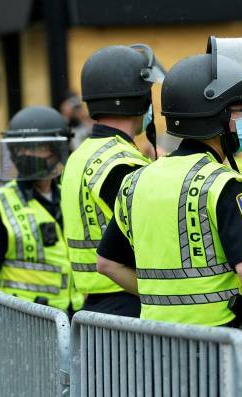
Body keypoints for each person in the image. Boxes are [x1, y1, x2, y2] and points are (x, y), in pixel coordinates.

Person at [96, 37, 242, 339]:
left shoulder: (137, 181)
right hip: (219, 343)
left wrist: (159, 297)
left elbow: (107, 263)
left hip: (156, 339)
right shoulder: (225, 186)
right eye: (240, 111)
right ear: (218, 115)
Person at [60, 44, 165, 317]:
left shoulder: (80, 155)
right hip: (129, 301)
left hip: (94, 304)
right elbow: (152, 240)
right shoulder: (121, 162)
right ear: (139, 98)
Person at [0, 106, 82, 314]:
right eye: (22, 149)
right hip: (22, 327)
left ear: (58, 151)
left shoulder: (71, 197)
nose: (27, 155)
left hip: (74, 319)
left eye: (38, 148)